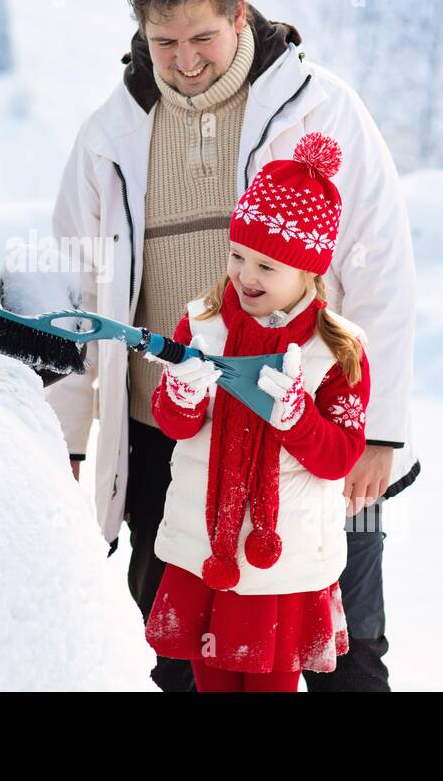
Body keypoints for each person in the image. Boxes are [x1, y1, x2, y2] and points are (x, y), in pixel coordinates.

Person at [16, 0, 420, 691]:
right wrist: (68, 435)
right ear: (141, 33)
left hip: (313, 433)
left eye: (202, 35)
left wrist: (382, 431)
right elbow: (77, 292)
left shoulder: (323, 111)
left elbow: (383, 275)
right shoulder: (110, 136)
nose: (186, 58)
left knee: (347, 656)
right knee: (182, 660)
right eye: (163, 42)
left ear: (240, 15)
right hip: (169, 433)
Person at [143, 134, 367, 692]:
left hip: (282, 569)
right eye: (237, 254)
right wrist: (183, 394)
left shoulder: (336, 349)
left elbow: (339, 455)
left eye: (266, 265)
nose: (245, 276)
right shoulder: (203, 325)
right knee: (211, 682)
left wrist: (297, 420)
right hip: (204, 551)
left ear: (309, 271)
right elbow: (173, 426)